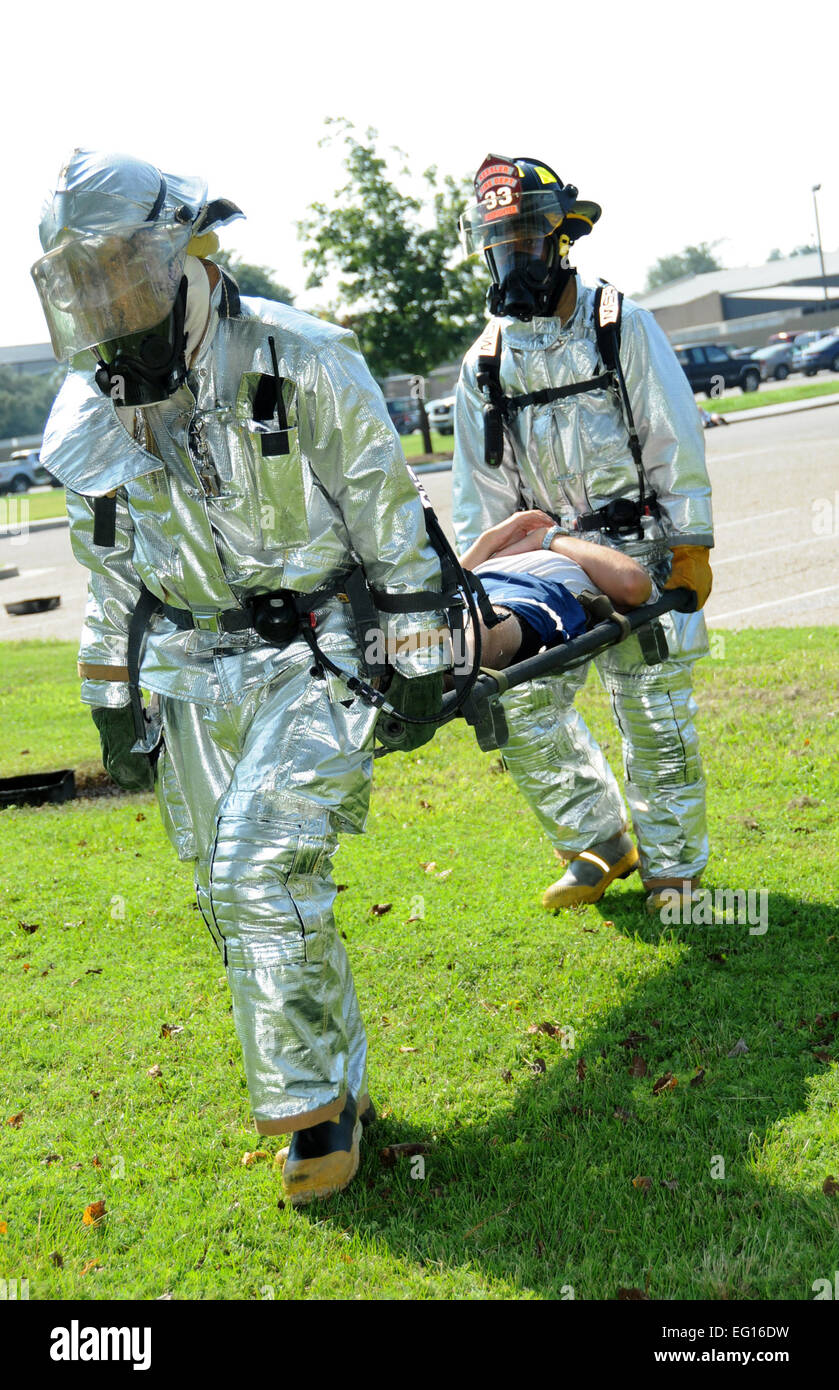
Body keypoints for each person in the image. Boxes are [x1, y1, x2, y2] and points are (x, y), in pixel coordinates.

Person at [33, 149, 450, 1204]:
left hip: (317, 646)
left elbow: (389, 523)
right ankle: (340, 1083)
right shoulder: (90, 406)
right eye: (81, 279)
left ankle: (311, 1117)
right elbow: (110, 574)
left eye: (121, 267)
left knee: (257, 875)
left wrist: (414, 660)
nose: (104, 298)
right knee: (227, 897)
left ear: (188, 249)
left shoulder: (302, 358)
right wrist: (107, 694)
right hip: (186, 665)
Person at [453, 154, 714, 913]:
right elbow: (483, 499)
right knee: (520, 707)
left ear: (561, 235)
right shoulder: (485, 362)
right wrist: (484, 582)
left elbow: (672, 435)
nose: (512, 256)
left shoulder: (618, 324)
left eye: (526, 236)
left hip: (639, 548)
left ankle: (675, 870)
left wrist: (691, 544)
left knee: (655, 717)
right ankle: (599, 842)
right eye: (497, 241)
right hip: (547, 568)